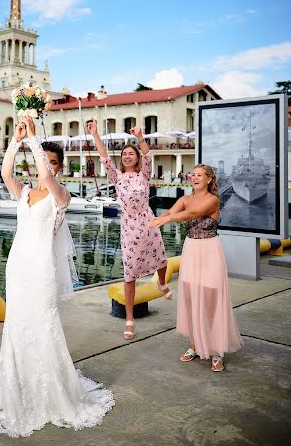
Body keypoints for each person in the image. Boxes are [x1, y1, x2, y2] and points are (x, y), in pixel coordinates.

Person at [0, 116, 114, 437]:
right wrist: (16, 140)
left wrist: (35, 140)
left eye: (51, 163)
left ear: (59, 168)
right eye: (41, 162)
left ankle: (50, 391)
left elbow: (47, 178)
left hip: (41, 270)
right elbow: (6, 173)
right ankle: (19, 387)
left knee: (43, 324)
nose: (44, 167)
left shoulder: (60, 195)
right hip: (17, 266)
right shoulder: (22, 193)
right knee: (18, 325)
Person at [149, 164, 243, 372]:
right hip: (191, 249)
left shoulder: (213, 200)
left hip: (210, 250)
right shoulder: (184, 199)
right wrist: (157, 219)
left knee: (211, 298)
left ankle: (217, 351)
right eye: (193, 174)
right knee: (192, 297)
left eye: (200, 175)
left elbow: (191, 214)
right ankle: (194, 344)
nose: (195, 177)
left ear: (209, 179)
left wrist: (166, 219)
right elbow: (173, 211)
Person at [88, 118, 169, 341]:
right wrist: (95, 134)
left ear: (136, 158)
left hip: (148, 221)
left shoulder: (144, 174)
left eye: (131, 153)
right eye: (124, 154)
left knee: (162, 258)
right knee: (130, 273)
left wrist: (140, 138)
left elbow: (148, 156)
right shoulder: (117, 177)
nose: (127, 156)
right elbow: (104, 158)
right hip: (129, 228)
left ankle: (162, 283)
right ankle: (130, 319)